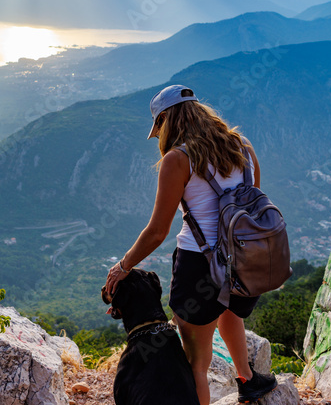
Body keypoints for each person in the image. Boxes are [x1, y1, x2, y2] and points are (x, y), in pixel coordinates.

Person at [104, 84, 277, 405]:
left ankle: (233, 385)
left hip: (199, 267)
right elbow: (251, 203)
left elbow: (157, 231)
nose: (158, 137)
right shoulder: (243, 146)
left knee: (197, 366)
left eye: (158, 128)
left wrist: (123, 266)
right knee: (229, 309)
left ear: (166, 120)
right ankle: (247, 379)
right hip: (247, 258)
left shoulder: (178, 159)